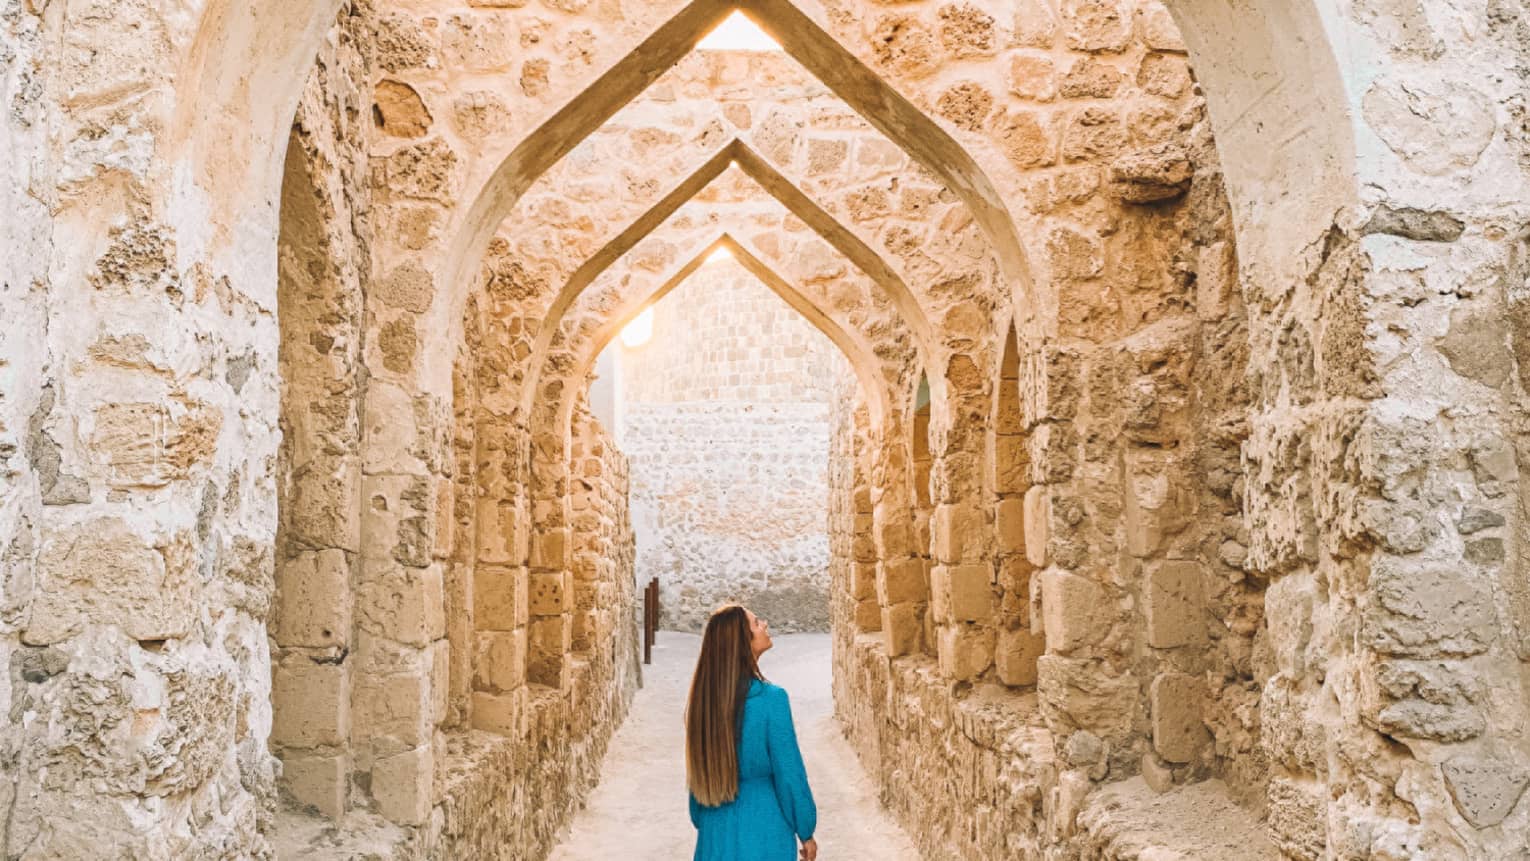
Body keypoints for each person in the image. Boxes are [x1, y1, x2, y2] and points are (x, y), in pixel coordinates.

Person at [685, 605, 818, 861]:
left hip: (714, 833)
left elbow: (695, 797)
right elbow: (789, 774)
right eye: (757, 623)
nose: (765, 624)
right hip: (764, 830)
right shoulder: (771, 700)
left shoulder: (702, 704)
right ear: (742, 642)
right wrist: (806, 829)